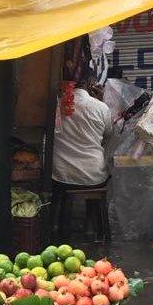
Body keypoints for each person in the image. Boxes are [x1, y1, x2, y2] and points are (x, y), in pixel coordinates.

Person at [50, 72, 114, 237]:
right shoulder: (100, 107)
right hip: (94, 176)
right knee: (100, 179)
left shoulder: (56, 106)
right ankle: (91, 226)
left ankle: (58, 228)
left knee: (59, 189)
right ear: (91, 83)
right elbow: (108, 135)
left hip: (61, 176)